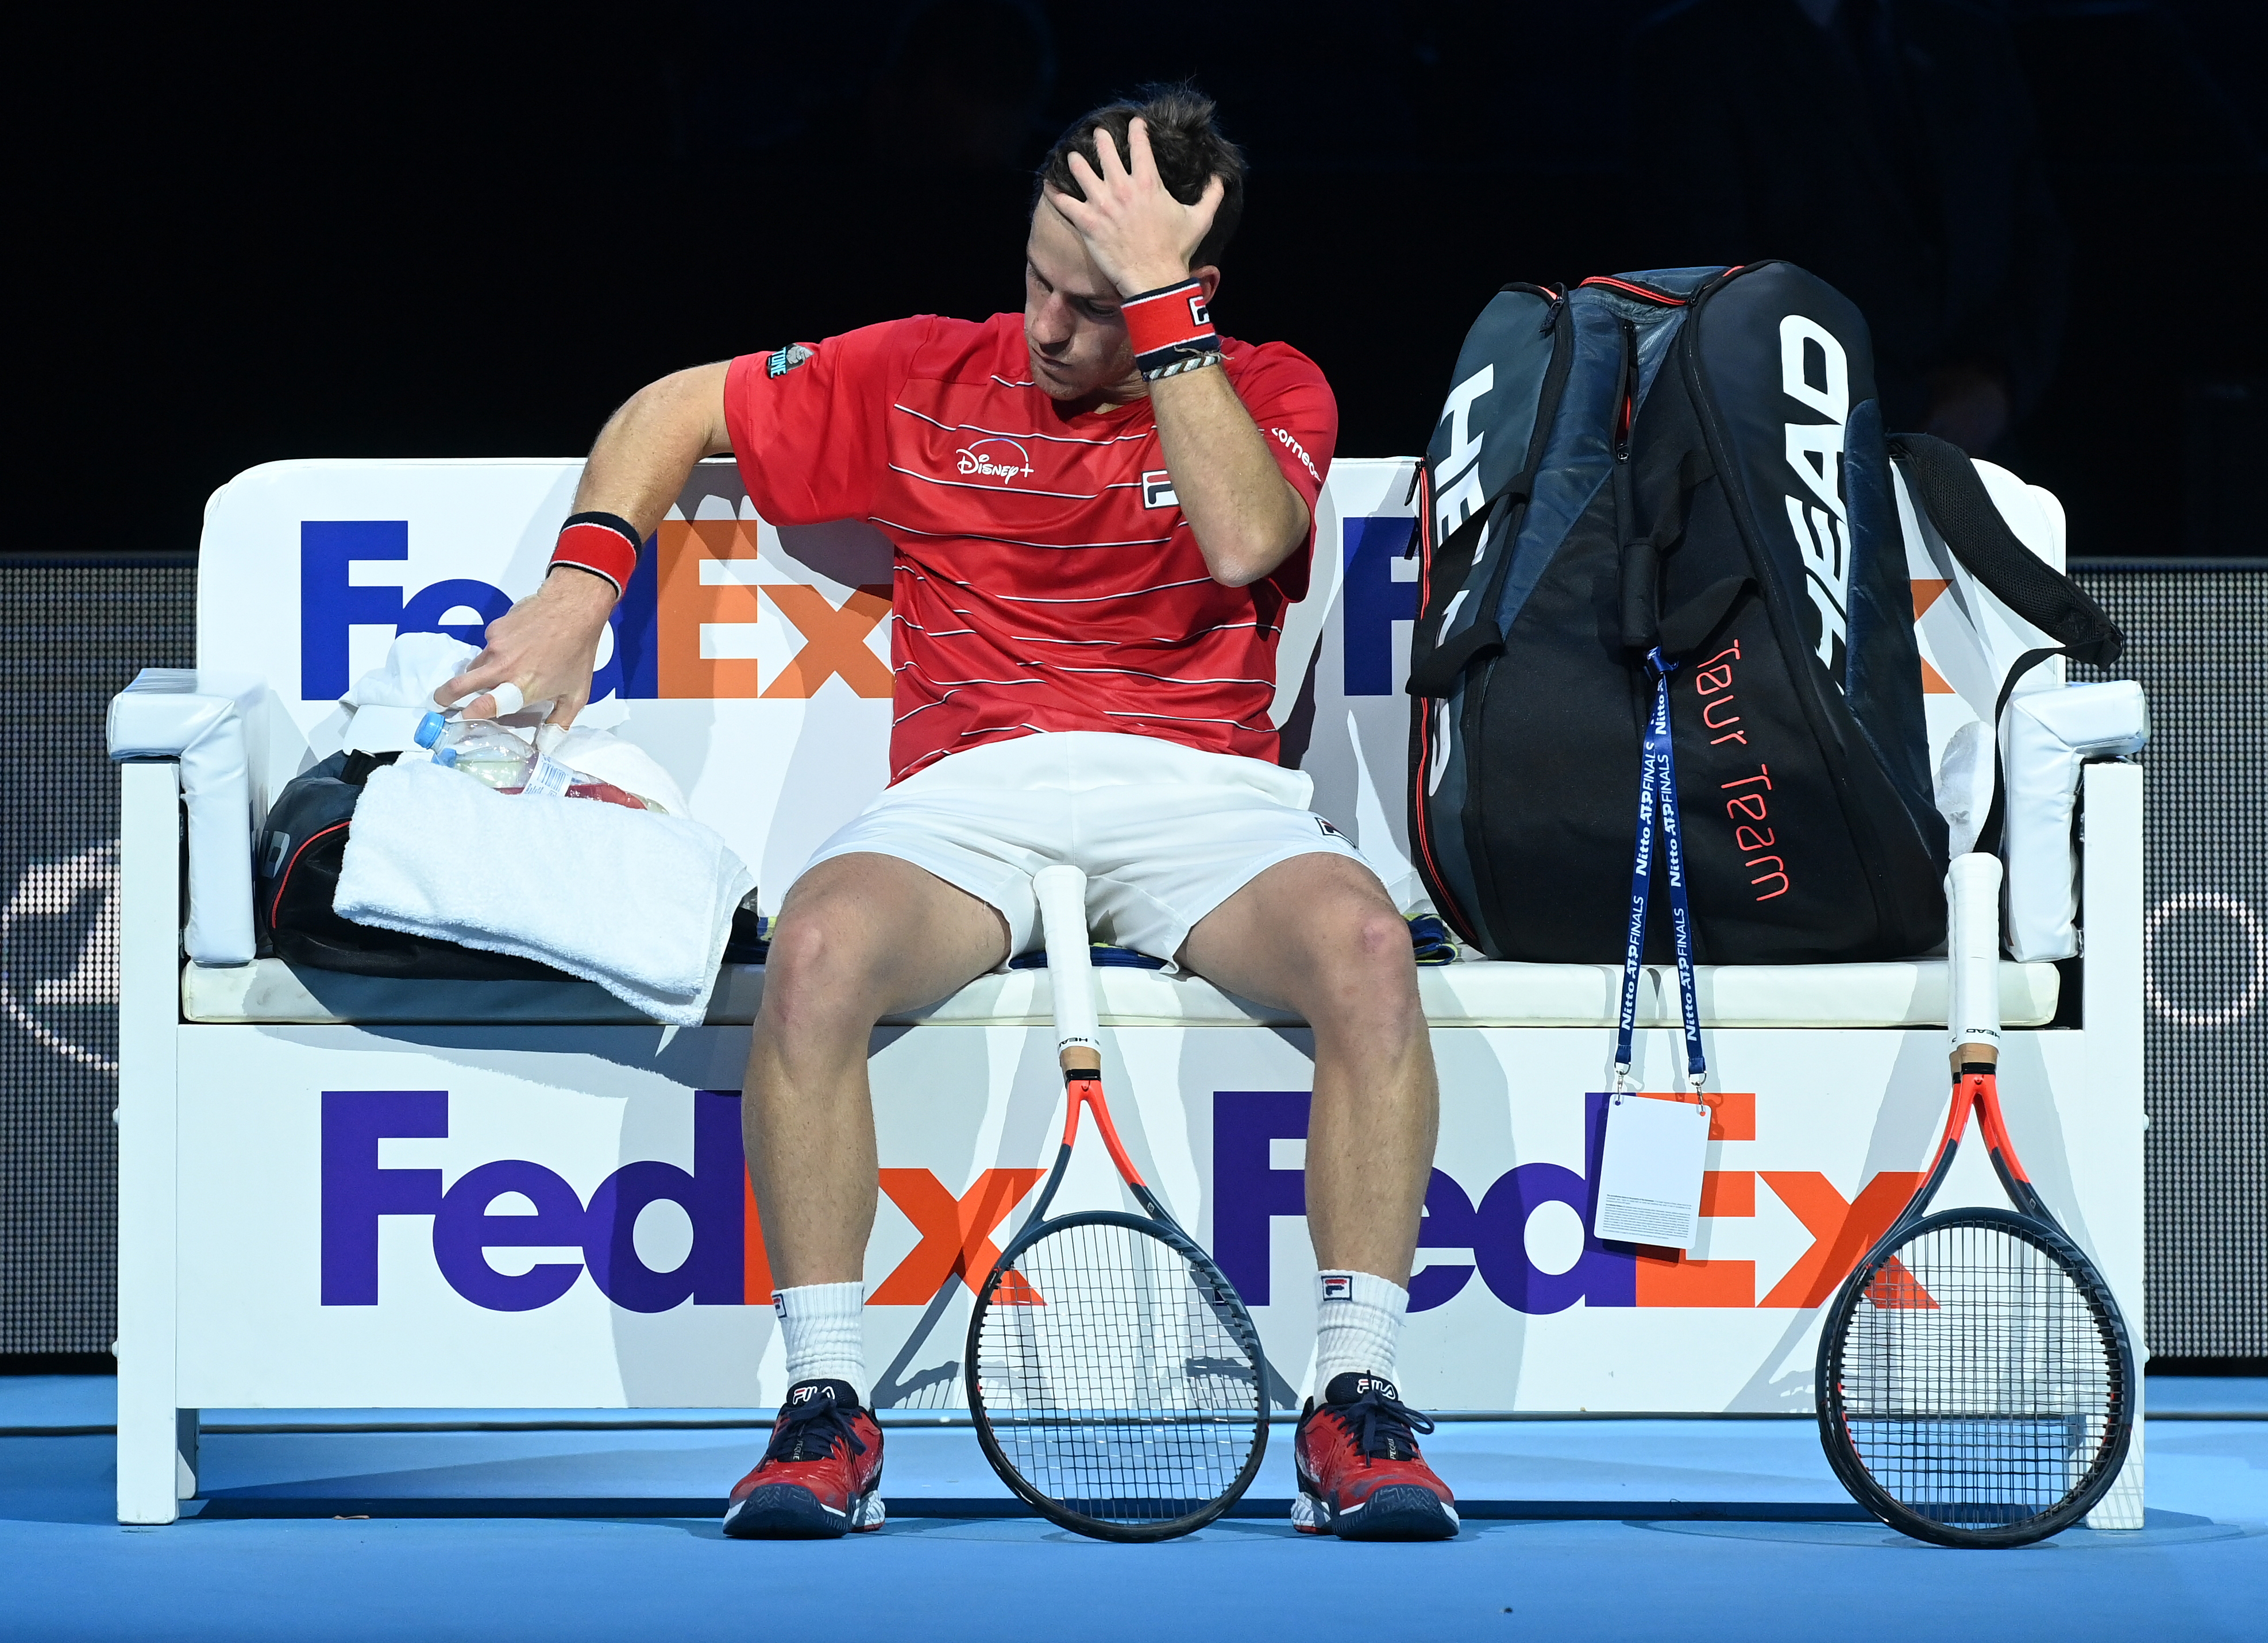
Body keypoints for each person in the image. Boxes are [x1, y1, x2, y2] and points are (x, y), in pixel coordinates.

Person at [435, 86, 1459, 1543]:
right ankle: (825, 1408)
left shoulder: (1275, 388)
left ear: (1188, 289)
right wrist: (579, 587)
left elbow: (1244, 537)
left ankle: (1355, 1401)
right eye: (1037, 280)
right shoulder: (924, 374)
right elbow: (673, 405)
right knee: (814, 953)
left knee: (1366, 948)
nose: (1046, 328)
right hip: (970, 797)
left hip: (1206, 799)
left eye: (1092, 304)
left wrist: (1156, 313)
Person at [1627, 0, 2070, 455]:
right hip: (1808, 455)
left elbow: (2034, 236)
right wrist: (1894, 409)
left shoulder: (1968, 36)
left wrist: (2000, 382)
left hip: (1983, 450)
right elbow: (1711, 280)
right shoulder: (1694, 50)